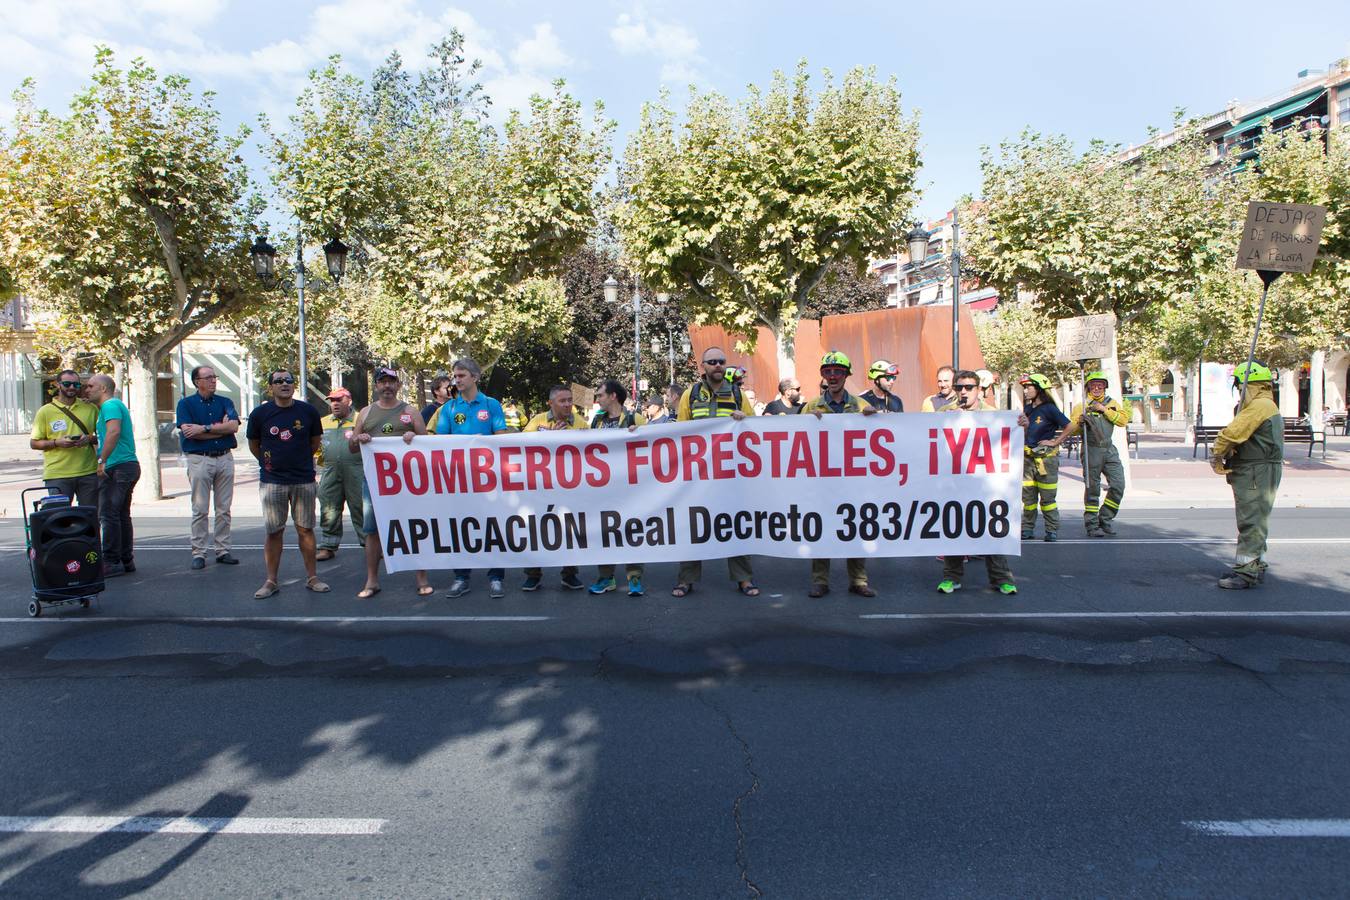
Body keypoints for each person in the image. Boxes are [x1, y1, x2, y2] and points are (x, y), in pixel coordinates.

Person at [672, 347, 759, 598]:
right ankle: (686, 579)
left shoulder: (737, 393)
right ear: (703, 366)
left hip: (731, 472)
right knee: (694, 526)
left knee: (735, 525)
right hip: (699, 472)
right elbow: (680, 431)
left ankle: (744, 579)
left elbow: (754, 427)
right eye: (712, 362)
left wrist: (743, 418)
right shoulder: (691, 394)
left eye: (721, 361)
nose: (718, 366)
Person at [935, 370, 1021, 596]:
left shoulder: (994, 414)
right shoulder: (945, 412)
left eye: (969, 387)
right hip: (955, 483)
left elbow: (1011, 440)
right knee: (954, 530)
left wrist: (1022, 424)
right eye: (959, 387)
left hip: (985, 484)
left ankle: (1001, 578)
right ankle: (951, 578)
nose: (964, 391)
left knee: (991, 530)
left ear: (979, 390)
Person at [350, 367, 432, 598]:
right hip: (374, 482)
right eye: (382, 382)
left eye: (391, 382)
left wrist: (413, 438)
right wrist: (360, 438)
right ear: (376, 386)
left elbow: (427, 445)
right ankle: (372, 580)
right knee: (372, 531)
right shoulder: (365, 413)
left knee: (414, 527)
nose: (387, 386)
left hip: (407, 482)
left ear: (398, 385)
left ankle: (422, 578)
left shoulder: (410, 411)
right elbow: (352, 447)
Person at [802, 352, 879, 598]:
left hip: (853, 481)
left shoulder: (860, 405)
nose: (833, 376)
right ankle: (820, 581)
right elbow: (796, 439)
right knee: (821, 528)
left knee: (854, 527)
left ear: (846, 375)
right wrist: (807, 423)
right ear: (823, 375)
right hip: (821, 480)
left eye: (838, 372)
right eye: (828, 372)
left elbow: (877, 435)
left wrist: (873, 419)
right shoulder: (811, 406)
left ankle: (858, 580)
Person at [246, 370, 328, 599]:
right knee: (274, 531)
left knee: (306, 529)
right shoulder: (260, 414)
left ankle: (312, 578)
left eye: (289, 381)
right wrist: (270, 463)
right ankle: (271, 581)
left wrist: (297, 461)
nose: (284, 384)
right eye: (279, 381)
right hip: (273, 482)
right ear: (270, 387)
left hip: (303, 479)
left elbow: (314, 443)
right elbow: (255, 446)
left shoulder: (308, 411)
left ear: (294, 385)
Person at [436, 357, 510, 598]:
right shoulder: (449, 408)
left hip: (488, 479)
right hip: (459, 479)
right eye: (455, 376)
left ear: (475, 377)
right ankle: (461, 577)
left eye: (461, 376)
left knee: (493, 527)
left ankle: (496, 577)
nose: (456, 380)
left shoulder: (491, 405)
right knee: (460, 527)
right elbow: (439, 443)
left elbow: (501, 438)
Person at [1211, 362, 1283, 590]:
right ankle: (1254, 565)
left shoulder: (1259, 406)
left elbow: (1231, 433)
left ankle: (1245, 573)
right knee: (1258, 519)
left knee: (1250, 520)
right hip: (1262, 469)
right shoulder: (1266, 404)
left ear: (1245, 384)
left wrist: (1216, 455)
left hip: (1254, 471)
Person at [1045, 370, 1130, 537]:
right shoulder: (1081, 407)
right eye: (1093, 385)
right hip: (1091, 450)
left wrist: (1104, 410)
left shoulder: (1111, 403)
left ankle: (1105, 518)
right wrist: (1079, 422)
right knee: (1092, 488)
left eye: (1100, 384)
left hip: (1109, 449)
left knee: (1119, 485)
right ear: (1088, 387)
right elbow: (1073, 431)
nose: (1097, 387)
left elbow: (1123, 421)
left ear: (1105, 386)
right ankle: (1092, 525)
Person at [520, 385, 587, 592]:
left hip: (569, 487)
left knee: (569, 529)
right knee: (536, 529)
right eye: (563, 401)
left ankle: (569, 574)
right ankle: (533, 574)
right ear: (551, 403)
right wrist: (548, 439)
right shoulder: (538, 421)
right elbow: (520, 447)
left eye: (570, 400)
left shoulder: (581, 423)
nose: (568, 404)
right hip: (541, 487)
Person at [586, 380, 649, 597]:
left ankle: (634, 578)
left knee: (631, 531)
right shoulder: (596, 422)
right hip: (603, 489)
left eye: (601, 395)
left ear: (613, 396)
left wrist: (639, 433)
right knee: (604, 532)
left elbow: (654, 445)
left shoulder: (635, 419)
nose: (598, 399)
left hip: (630, 488)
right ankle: (606, 577)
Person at [176, 365, 241, 570]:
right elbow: (189, 433)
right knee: (200, 509)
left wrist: (204, 428)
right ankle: (199, 552)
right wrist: (220, 430)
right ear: (197, 381)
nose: (214, 380)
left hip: (224, 458)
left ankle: (223, 550)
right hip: (199, 459)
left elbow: (233, 427)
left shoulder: (225, 402)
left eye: (215, 377)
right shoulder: (185, 404)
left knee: (224, 509)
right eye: (209, 377)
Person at [87, 374, 139, 577]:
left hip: (118, 467)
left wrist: (102, 460)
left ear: (102, 388)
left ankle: (111, 561)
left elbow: (114, 432)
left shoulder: (109, 406)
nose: (87, 389)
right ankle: (126, 559)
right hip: (127, 465)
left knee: (108, 514)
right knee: (121, 514)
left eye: (91, 386)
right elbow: (109, 433)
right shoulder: (114, 406)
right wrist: (90, 439)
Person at [30, 369, 99, 507]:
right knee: (60, 520)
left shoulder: (90, 408)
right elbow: (34, 443)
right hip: (57, 474)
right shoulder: (45, 411)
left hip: (88, 472)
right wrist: (57, 443)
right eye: (67, 384)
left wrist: (89, 439)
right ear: (58, 384)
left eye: (76, 385)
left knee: (90, 518)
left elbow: (103, 435)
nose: (72, 387)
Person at [1019, 373, 1070, 542]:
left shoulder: (1050, 408)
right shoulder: (1028, 409)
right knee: (1028, 497)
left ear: (1040, 389)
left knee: (1048, 498)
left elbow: (1069, 426)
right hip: (1028, 459)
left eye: (1029, 387)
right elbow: (1025, 432)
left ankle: (1051, 530)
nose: (1025, 391)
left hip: (1046, 460)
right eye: (1024, 387)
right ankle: (1027, 529)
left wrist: (1055, 442)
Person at [315, 388, 363, 562]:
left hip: (357, 469)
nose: (334, 403)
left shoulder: (361, 419)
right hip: (330, 470)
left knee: (361, 507)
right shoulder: (322, 422)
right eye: (332, 400)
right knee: (328, 508)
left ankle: (369, 545)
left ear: (348, 401)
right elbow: (314, 445)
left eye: (338, 400)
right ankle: (328, 546)